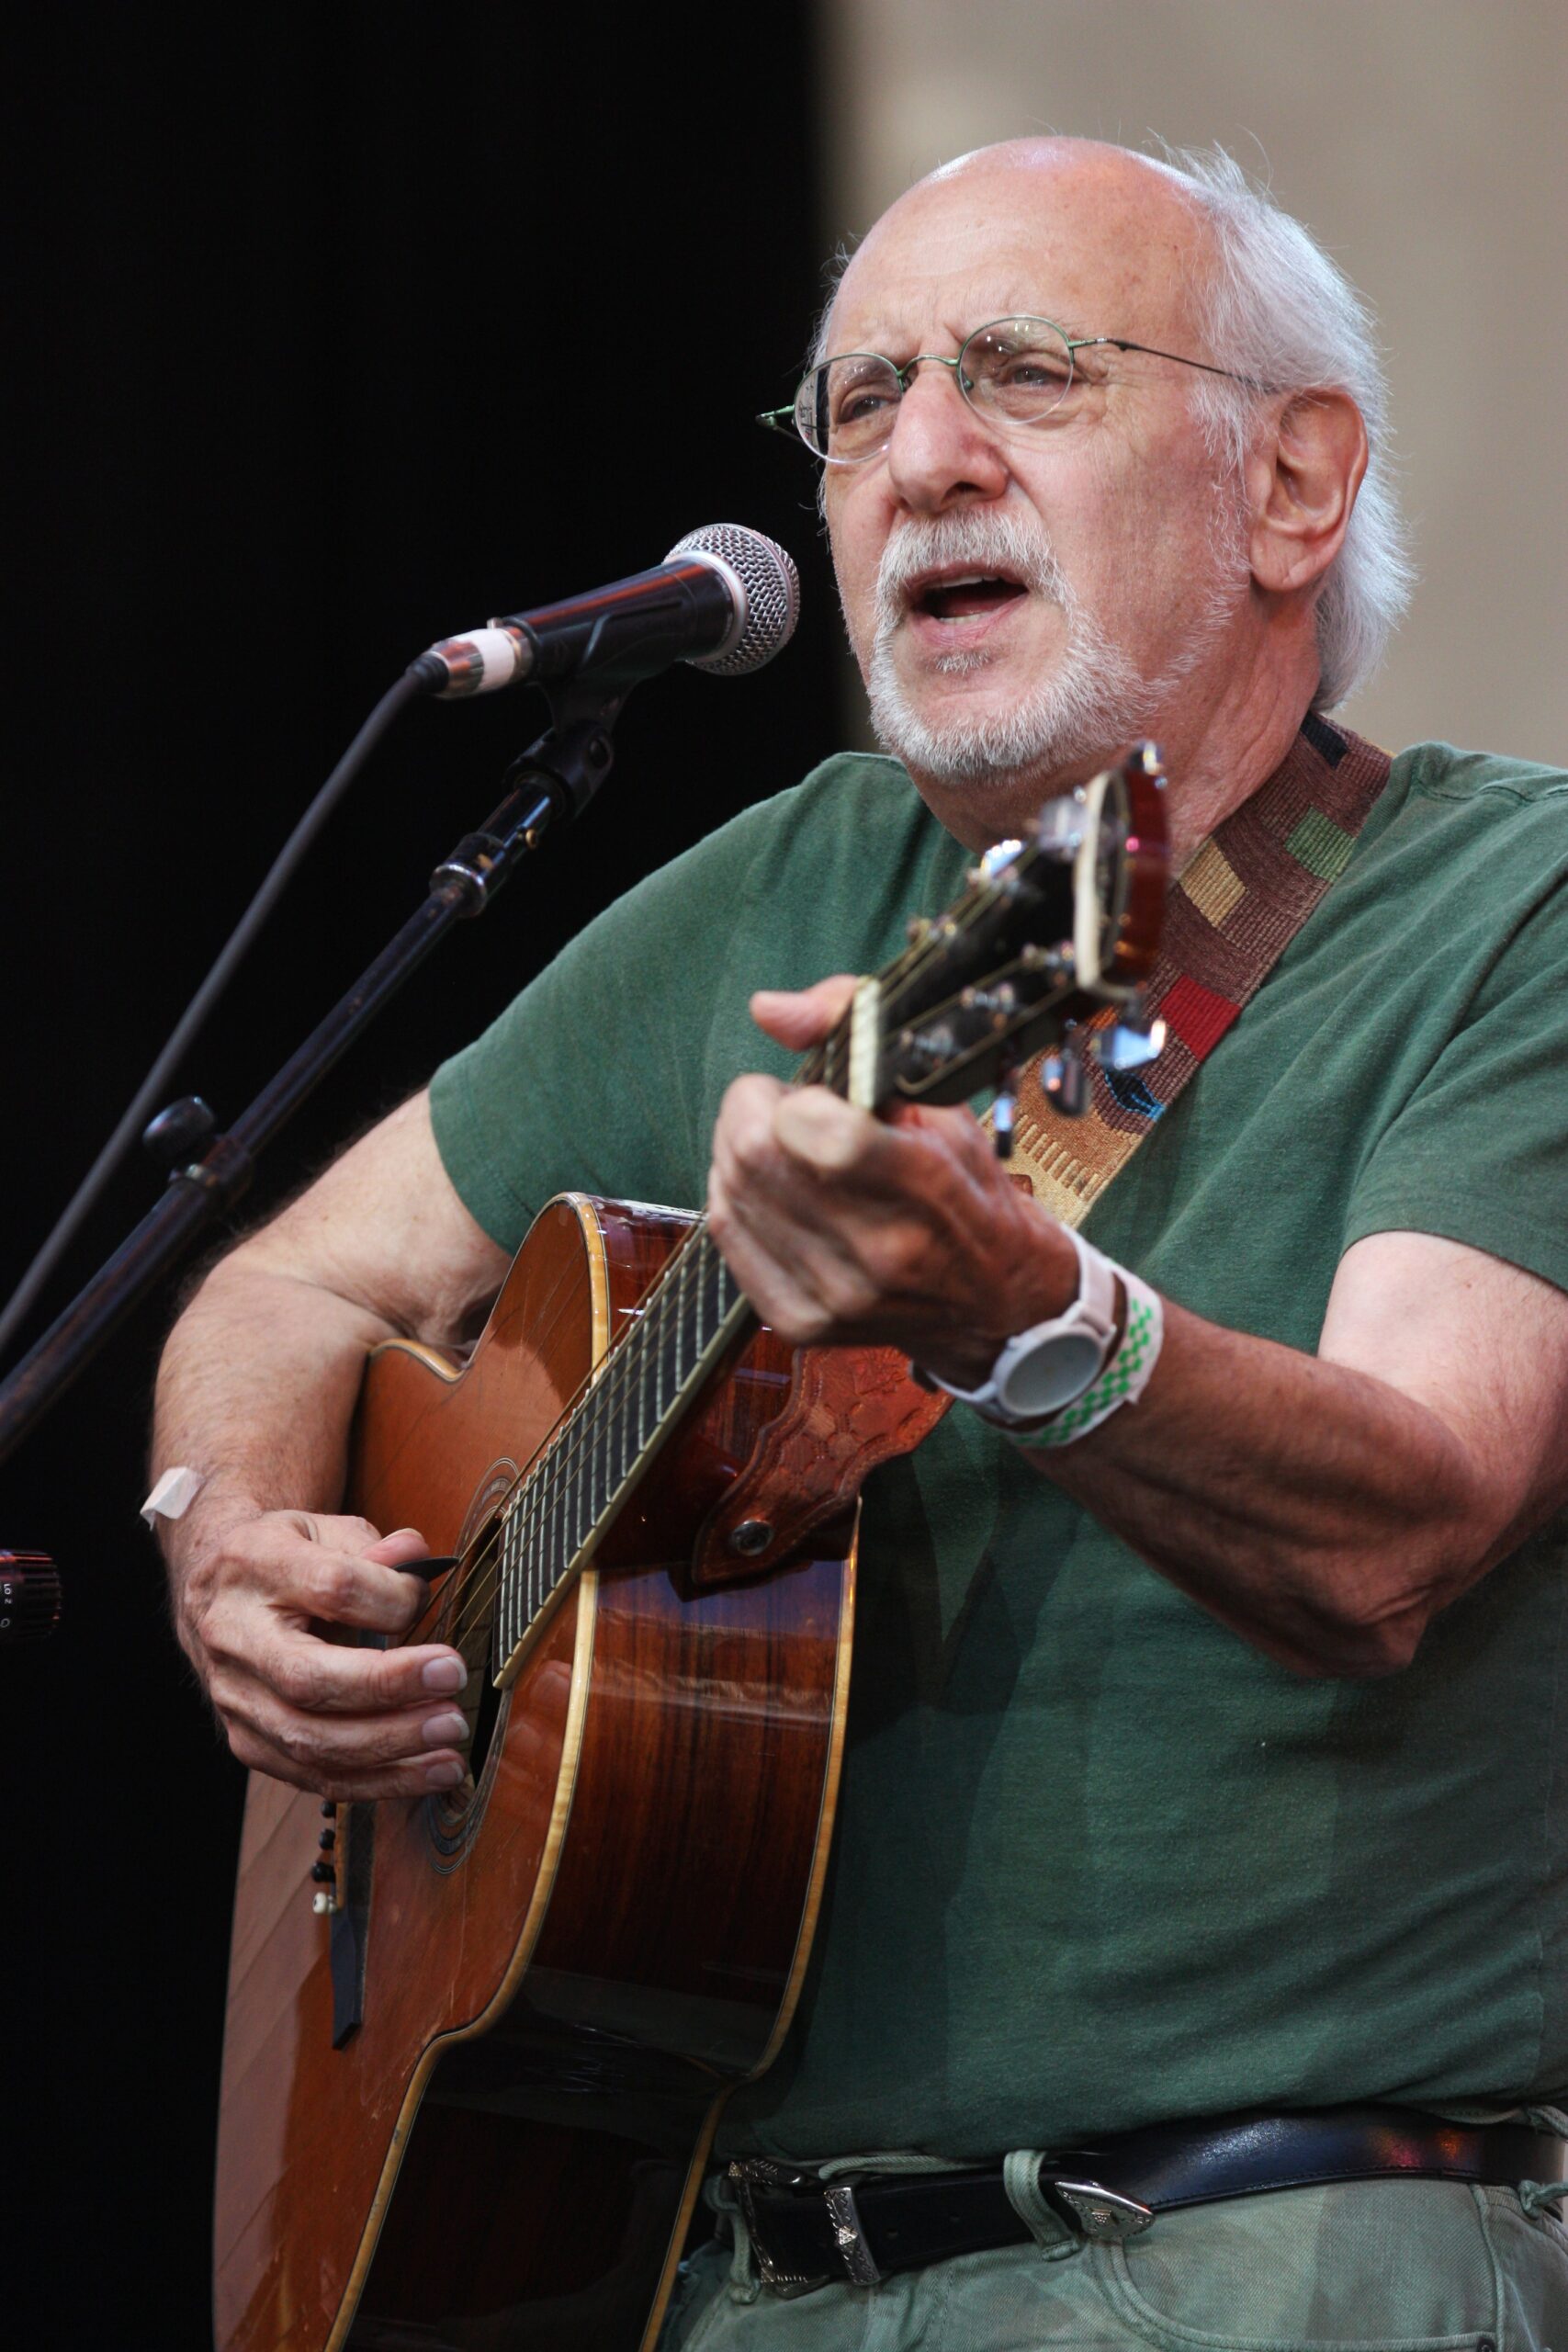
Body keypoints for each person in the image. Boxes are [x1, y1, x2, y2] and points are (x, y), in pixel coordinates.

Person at [151, 138, 1568, 2346]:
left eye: (1022, 369)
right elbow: (287, 1279)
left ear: (1291, 485)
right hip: (721, 2276)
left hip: (1270, 2247)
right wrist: (229, 1530)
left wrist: (1019, 1315)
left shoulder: (1510, 909)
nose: (920, 456)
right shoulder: (795, 878)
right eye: (859, 400)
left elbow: (1399, 1523)